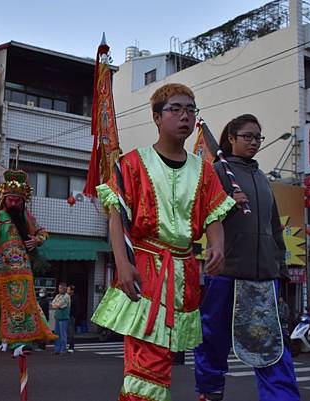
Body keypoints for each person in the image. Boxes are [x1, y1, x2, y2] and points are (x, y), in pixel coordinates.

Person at [91, 83, 234, 401]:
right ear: (156, 117)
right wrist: (123, 264)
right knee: (148, 361)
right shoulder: (132, 163)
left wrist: (217, 246)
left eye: (190, 109)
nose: (185, 116)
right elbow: (117, 217)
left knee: (156, 362)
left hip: (185, 275)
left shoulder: (204, 171)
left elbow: (214, 217)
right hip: (146, 268)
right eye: (176, 109)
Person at [194, 114, 299, 401]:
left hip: (264, 278)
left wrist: (280, 268)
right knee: (212, 339)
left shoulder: (263, 180)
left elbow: (274, 228)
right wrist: (228, 204)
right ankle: (210, 391)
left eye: (257, 137)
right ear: (231, 138)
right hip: (225, 271)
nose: (254, 142)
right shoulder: (215, 172)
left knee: (271, 347)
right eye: (248, 136)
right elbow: (198, 216)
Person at [0, 169, 56, 398]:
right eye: (10, 199)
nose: (14, 202)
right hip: (0, 272)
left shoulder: (27, 218)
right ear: (4, 199)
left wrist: (36, 239)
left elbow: (42, 233)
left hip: (22, 273)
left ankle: (21, 342)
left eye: (17, 200)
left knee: (22, 306)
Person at [51, 282, 70, 355]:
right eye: (59, 288)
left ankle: (63, 350)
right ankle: (57, 350)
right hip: (58, 317)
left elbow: (60, 305)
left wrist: (56, 305)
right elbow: (53, 304)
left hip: (63, 318)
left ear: (64, 288)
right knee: (57, 334)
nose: (59, 289)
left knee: (63, 335)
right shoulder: (58, 296)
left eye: (60, 288)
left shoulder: (66, 296)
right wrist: (56, 305)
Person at [67, 284, 79, 353]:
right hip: (67, 316)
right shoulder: (67, 296)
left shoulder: (75, 297)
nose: (67, 291)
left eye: (68, 289)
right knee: (67, 332)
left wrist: (74, 316)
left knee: (71, 332)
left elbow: (77, 308)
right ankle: (67, 346)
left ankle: (71, 347)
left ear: (72, 291)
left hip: (71, 316)